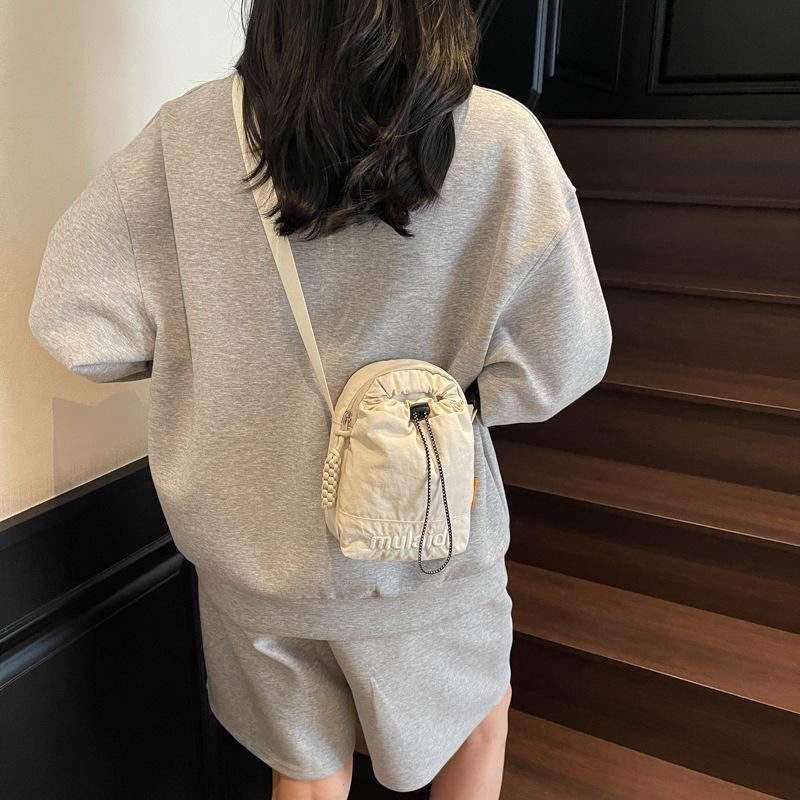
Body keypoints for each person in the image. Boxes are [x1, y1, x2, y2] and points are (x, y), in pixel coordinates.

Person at [27, 1, 612, 797]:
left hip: (254, 556)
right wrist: (462, 398)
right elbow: (565, 358)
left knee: (303, 774)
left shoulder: (187, 137)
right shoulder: (499, 139)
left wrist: (217, 365)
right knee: (476, 723)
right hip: (425, 548)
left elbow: (75, 324)